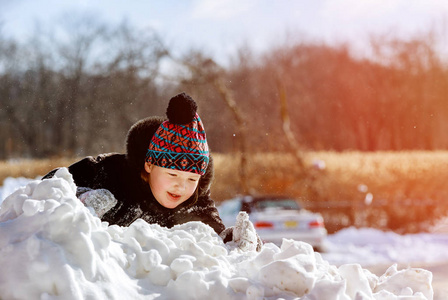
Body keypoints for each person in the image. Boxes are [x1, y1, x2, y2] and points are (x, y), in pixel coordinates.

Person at [44, 92, 261, 251]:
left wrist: (235, 242)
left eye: (192, 178)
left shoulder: (196, 202)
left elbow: (215, 237)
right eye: (172, 174)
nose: (182, 186)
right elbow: (45, 188)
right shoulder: (108, 171)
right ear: (149, 165)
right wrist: (79, 197)